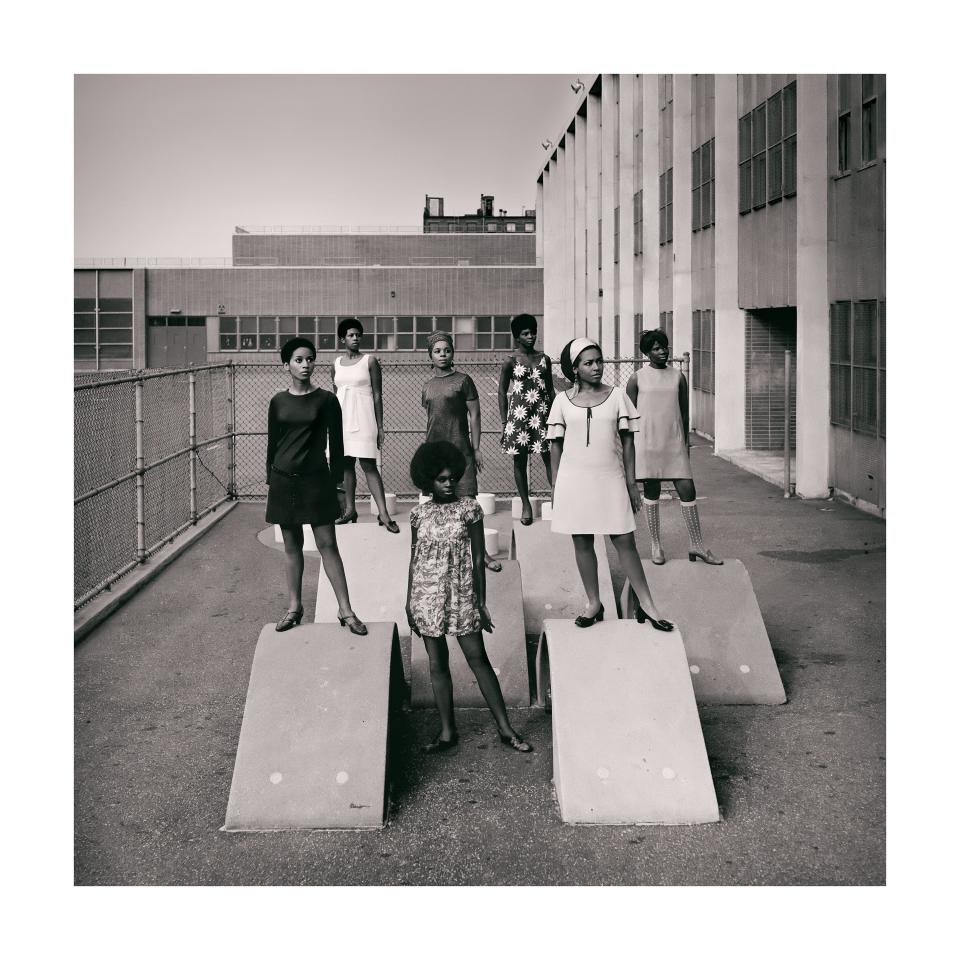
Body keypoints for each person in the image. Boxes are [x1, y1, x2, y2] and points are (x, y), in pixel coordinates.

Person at [405, 441, 532, 754]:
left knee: (478, 658)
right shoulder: (418, 515)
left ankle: (505, 729)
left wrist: (481, 601)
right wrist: (409, 600)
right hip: (426, 595)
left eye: (452, 478)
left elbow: (478, 559)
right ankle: (447, 732)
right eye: (441, 479)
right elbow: (414, 558)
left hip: (462, 592)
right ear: (428, 480)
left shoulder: (470, 509)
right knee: (437, 664)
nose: (449, 484)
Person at [546, 337, 674, 631]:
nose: (597, 367)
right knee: (581, 540)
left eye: (599, 361)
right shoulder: (562, 401)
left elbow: (628, 444)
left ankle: (648, 604)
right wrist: (555, 487)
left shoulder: (617, 396)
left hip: (610, 478)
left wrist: (631, 484)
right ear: (575, 368)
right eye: (589, 363)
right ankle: (594, 603)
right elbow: (555, 447)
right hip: (573, 480)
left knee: (624, 540)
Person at [265, 336, 367, 635]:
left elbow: (337, 446)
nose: (306, 364)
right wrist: (272, 481)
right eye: (299, 360)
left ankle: (345, 610)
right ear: (287, 365)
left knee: (327, 546)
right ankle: (295, 608)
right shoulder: (278, 402)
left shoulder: (326, 400)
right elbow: (273, 444)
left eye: (310, 359)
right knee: (292, 548)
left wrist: (337, 488)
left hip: (317, 482)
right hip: (284, 483)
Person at [626, 330, 722, 565]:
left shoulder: (678, 376)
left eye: (664, 347)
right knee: (652, 491)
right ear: (647, 352)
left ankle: (697, 545)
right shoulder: (637, 378)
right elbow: (628, 417)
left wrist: (685, 444)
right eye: (656, 348)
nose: (662, 351)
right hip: (647, 444)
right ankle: (656, 546)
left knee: (688, 489)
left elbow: (684, 414)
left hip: (674, 443)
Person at [421, 330, 501, 571]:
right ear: (430, 356)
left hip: (461, 451)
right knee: (439, 506)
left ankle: (482, 554)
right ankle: (445, 556)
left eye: (447, 350)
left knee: (469, 505)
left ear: (453, 352)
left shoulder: (463, 380)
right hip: (436, 453)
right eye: (437, 351)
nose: (442, 355)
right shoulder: (427, 386)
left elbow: (475, 416)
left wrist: (476, 448)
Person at [329, 317, 399, 533]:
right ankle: (350, 510)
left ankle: (384, 514)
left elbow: (377, 395)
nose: (355, 338)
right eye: (351, 335)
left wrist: (380, 426)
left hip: (365, 419)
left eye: (358, 335)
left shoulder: (370, 361)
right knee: (346, 465)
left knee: (369, 466)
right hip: (341, 421)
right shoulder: (335, 364)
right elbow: (335, 395)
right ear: (342, 339)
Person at [498, 313, 555, 525]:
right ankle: (526, 504)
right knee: (519, 461)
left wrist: (555, 417)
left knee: (550, 457)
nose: (531, 336)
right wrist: (504, 424)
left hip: (543, 415)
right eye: (525, 333)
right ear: (517, 337)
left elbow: (550, 389)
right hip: (519, 417)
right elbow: (501, 392)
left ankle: (557, 499)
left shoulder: (544, 359)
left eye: (533, 332)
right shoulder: (510, 361)